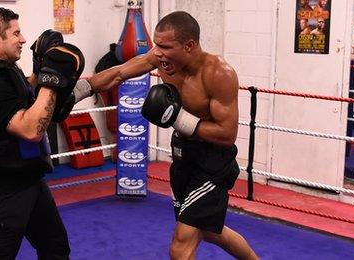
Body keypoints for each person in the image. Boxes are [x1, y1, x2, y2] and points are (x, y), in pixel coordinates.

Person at [72, 11, 258, 260]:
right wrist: (75, 92)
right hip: (183, 156)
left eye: (165, 46)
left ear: (189, 45)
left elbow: (227, 134)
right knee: (210, 231)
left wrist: (178, 118)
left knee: (181, 246)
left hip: (212, 164)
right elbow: (118, 73)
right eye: (156, 44)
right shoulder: (161, 59)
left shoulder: (218, 74)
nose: (157, 52)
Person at [0, 7, 82, 259]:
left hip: (27, 178)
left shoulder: (5, 69)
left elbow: (21, 95)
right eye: (16, 33)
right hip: (0, 187)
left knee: (55, 248)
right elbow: (30, 130)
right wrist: (52, 80)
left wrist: (40, 73)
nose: (23, 39)